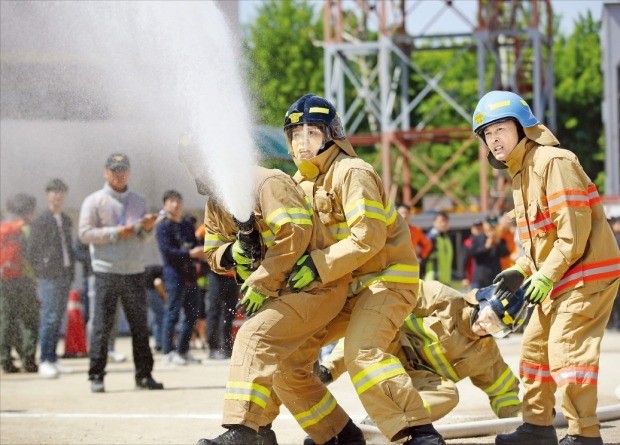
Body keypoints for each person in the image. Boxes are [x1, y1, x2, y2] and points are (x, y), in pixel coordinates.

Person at [283, 94, 445, 445]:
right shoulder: (297, 185)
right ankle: (337, 434)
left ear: (331, 135)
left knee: (362, 352)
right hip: (340, 288)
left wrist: (317, 266)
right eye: (296, 134)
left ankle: (419, 430)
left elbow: (367, 238)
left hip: (385, 283)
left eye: (312, 133)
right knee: (286, 356)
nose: (302, 142)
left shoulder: (353, 172)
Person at [472, 90, 620, 445]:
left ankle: (584, 434)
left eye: (501, 129)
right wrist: (522, 269)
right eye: (487, 133)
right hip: (556, 278)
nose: (494, 139)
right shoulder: (520, 175)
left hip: (585, 277)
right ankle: (537, 428)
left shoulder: (554, 162)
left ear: (523, 127)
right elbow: (540, 242)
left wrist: (544, 274)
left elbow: (574, 235)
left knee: (567, 353)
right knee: (534, 352)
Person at [196, 166, 358, 445]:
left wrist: (262, 281)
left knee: (253, 337)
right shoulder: (215, 204)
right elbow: (212, 253)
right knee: (289, 374)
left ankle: (244, 431)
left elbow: (295, 232)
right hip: (281, 295)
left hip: (314, 288)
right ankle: (342, 436)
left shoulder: (268, 183)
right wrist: (233, 251)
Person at [318, 280, 523, 421]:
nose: (486, 326)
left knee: (448, 394)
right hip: (390, 351)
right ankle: (326, 372)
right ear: (481, 301)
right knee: (377, 325)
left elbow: (503, 391)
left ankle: (398, 420)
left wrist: (518, 417)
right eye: (488, 316)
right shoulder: (444, 299)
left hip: (415, 382)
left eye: (497, 328)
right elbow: (397, 294)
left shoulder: (486, 354)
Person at [79, 152, 163, 393]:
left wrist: (146, 229)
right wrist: (116, 232)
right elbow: (84, 233)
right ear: (105, 172)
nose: (119, 174)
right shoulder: (94, 201)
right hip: (106, 270)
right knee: (102, 326)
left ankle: (144, 375)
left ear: (129, 172)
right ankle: (97, 375)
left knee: (139, 326)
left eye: (123, 169)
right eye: (114, 170)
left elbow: (146, 237)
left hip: (135, 270)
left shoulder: (138, 200)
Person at [27, 178, 75, 378]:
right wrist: (41, 270)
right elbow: (31, 251)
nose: (58, 196)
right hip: (49, 276)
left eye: (61, 192)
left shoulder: (65, 219)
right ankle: (45, 359)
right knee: (49, 317)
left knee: (58, 317)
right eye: (54, 192)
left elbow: (69, 247)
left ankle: (53, 357)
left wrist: (71, 270)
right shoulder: (41, 220)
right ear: (48, 195)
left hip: (64, 273)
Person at [156, 189, 204, 366]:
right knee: (173, 313)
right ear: (165, 205)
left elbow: (194, 244)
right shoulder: (163, 226)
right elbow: (168, 252)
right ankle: (168, 352)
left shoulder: (186, 225)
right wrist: (190, 254)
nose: (175, 205)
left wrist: (197, 252)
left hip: (191, 274)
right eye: (171, 201)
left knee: (192, 313)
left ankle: (183, 350)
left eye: (178, 201)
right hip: (174, 275)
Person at [0, 193, 39, 373]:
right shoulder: (28, 230)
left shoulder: (3, 228)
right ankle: (28, 359)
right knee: (31, 320)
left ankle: (5, 359)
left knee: (7, 320)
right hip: (25, 280)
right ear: (30, 211)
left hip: (4, 279)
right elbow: (33, 257)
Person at [468, 214, 509, 289]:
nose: (491, 226)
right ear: (485, 225)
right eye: (489, 223)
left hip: (495, 278)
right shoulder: (478, 238)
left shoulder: (500, 239)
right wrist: (486, 247)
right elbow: (473, 254)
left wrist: (498, 242)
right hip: (480, 279)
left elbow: (505, 253)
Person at [397, 204, 433, 270]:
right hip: (395, 265)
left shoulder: (416, 230)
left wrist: (421, 257)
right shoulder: (390, 230)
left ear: (410, 215)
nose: (404, 216)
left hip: (411, 265)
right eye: (401, 213)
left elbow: (428, 244)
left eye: (406, 213)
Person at [424, 212, 453, 285]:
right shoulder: (430, 238)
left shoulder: (446, 238)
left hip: (446, 281)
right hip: (433, 281)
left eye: (446, 221)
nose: (443, 224)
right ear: (434, 223)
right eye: (441, 221)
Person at [144, 264, 165, 353]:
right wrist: (165, 296)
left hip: (143, 290)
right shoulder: (160, 266)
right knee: (160, 316)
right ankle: (159, 344)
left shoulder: (149, 264)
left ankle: (158, 343)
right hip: (152, 291)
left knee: (157, 317)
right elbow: (158, 283)